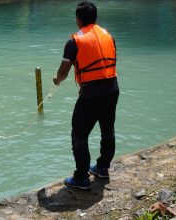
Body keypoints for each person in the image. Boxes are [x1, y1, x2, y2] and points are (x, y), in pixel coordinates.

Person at [53, 1, 119, 190]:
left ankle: (81, 178)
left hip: (91, 94)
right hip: (112, 88)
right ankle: (102, 167)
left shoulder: (74, 41)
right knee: (108, 129)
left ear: (78, 19)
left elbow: (63, 73)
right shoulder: (108, 36)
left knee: (79, 133)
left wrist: (57, 81)